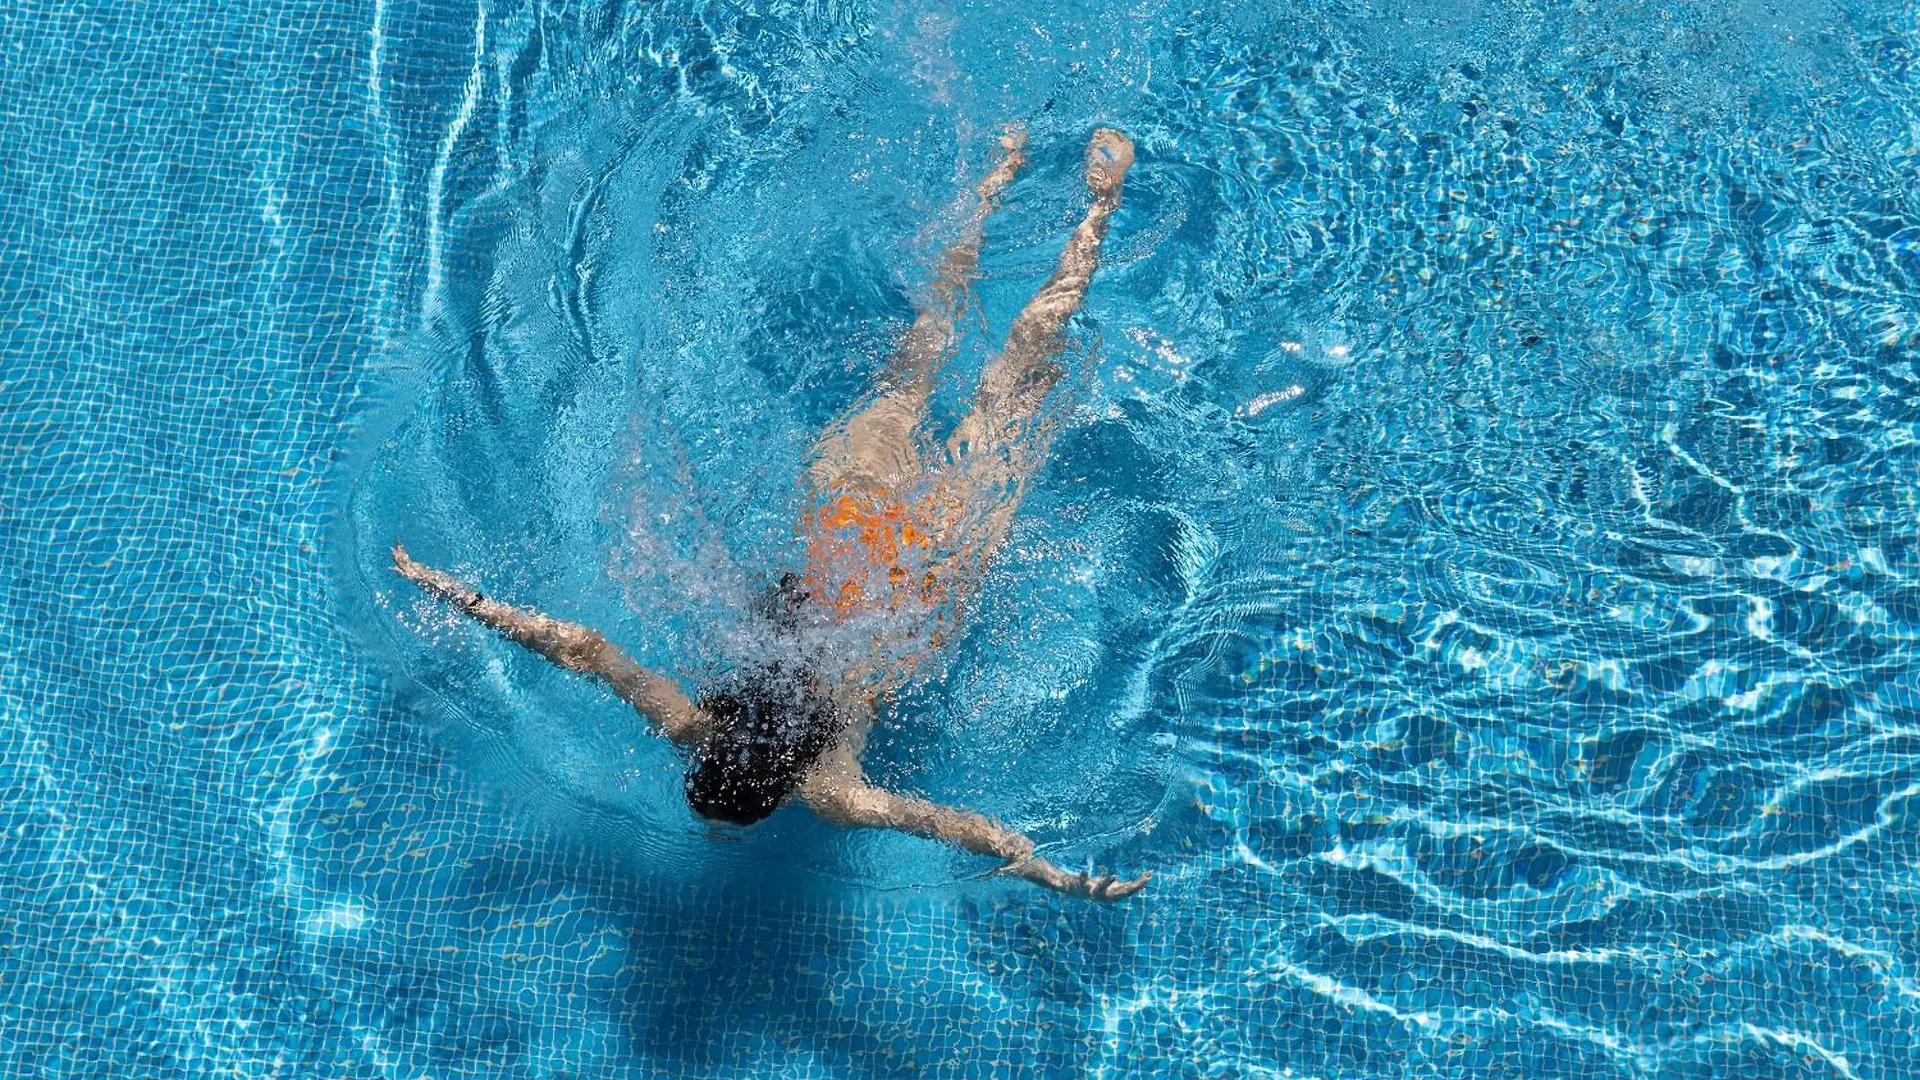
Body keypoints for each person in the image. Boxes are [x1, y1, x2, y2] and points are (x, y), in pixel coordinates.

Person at [393, 127, 1148, 900]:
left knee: (1013, 384)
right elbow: (585, 648)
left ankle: (1100, 206)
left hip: (928, 562)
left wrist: (1043, 868)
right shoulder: (695, 724)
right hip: (848, 518)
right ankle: (998, 177)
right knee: (918, 360)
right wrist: (459, 595)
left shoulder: (829, 791)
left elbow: (943, 823)